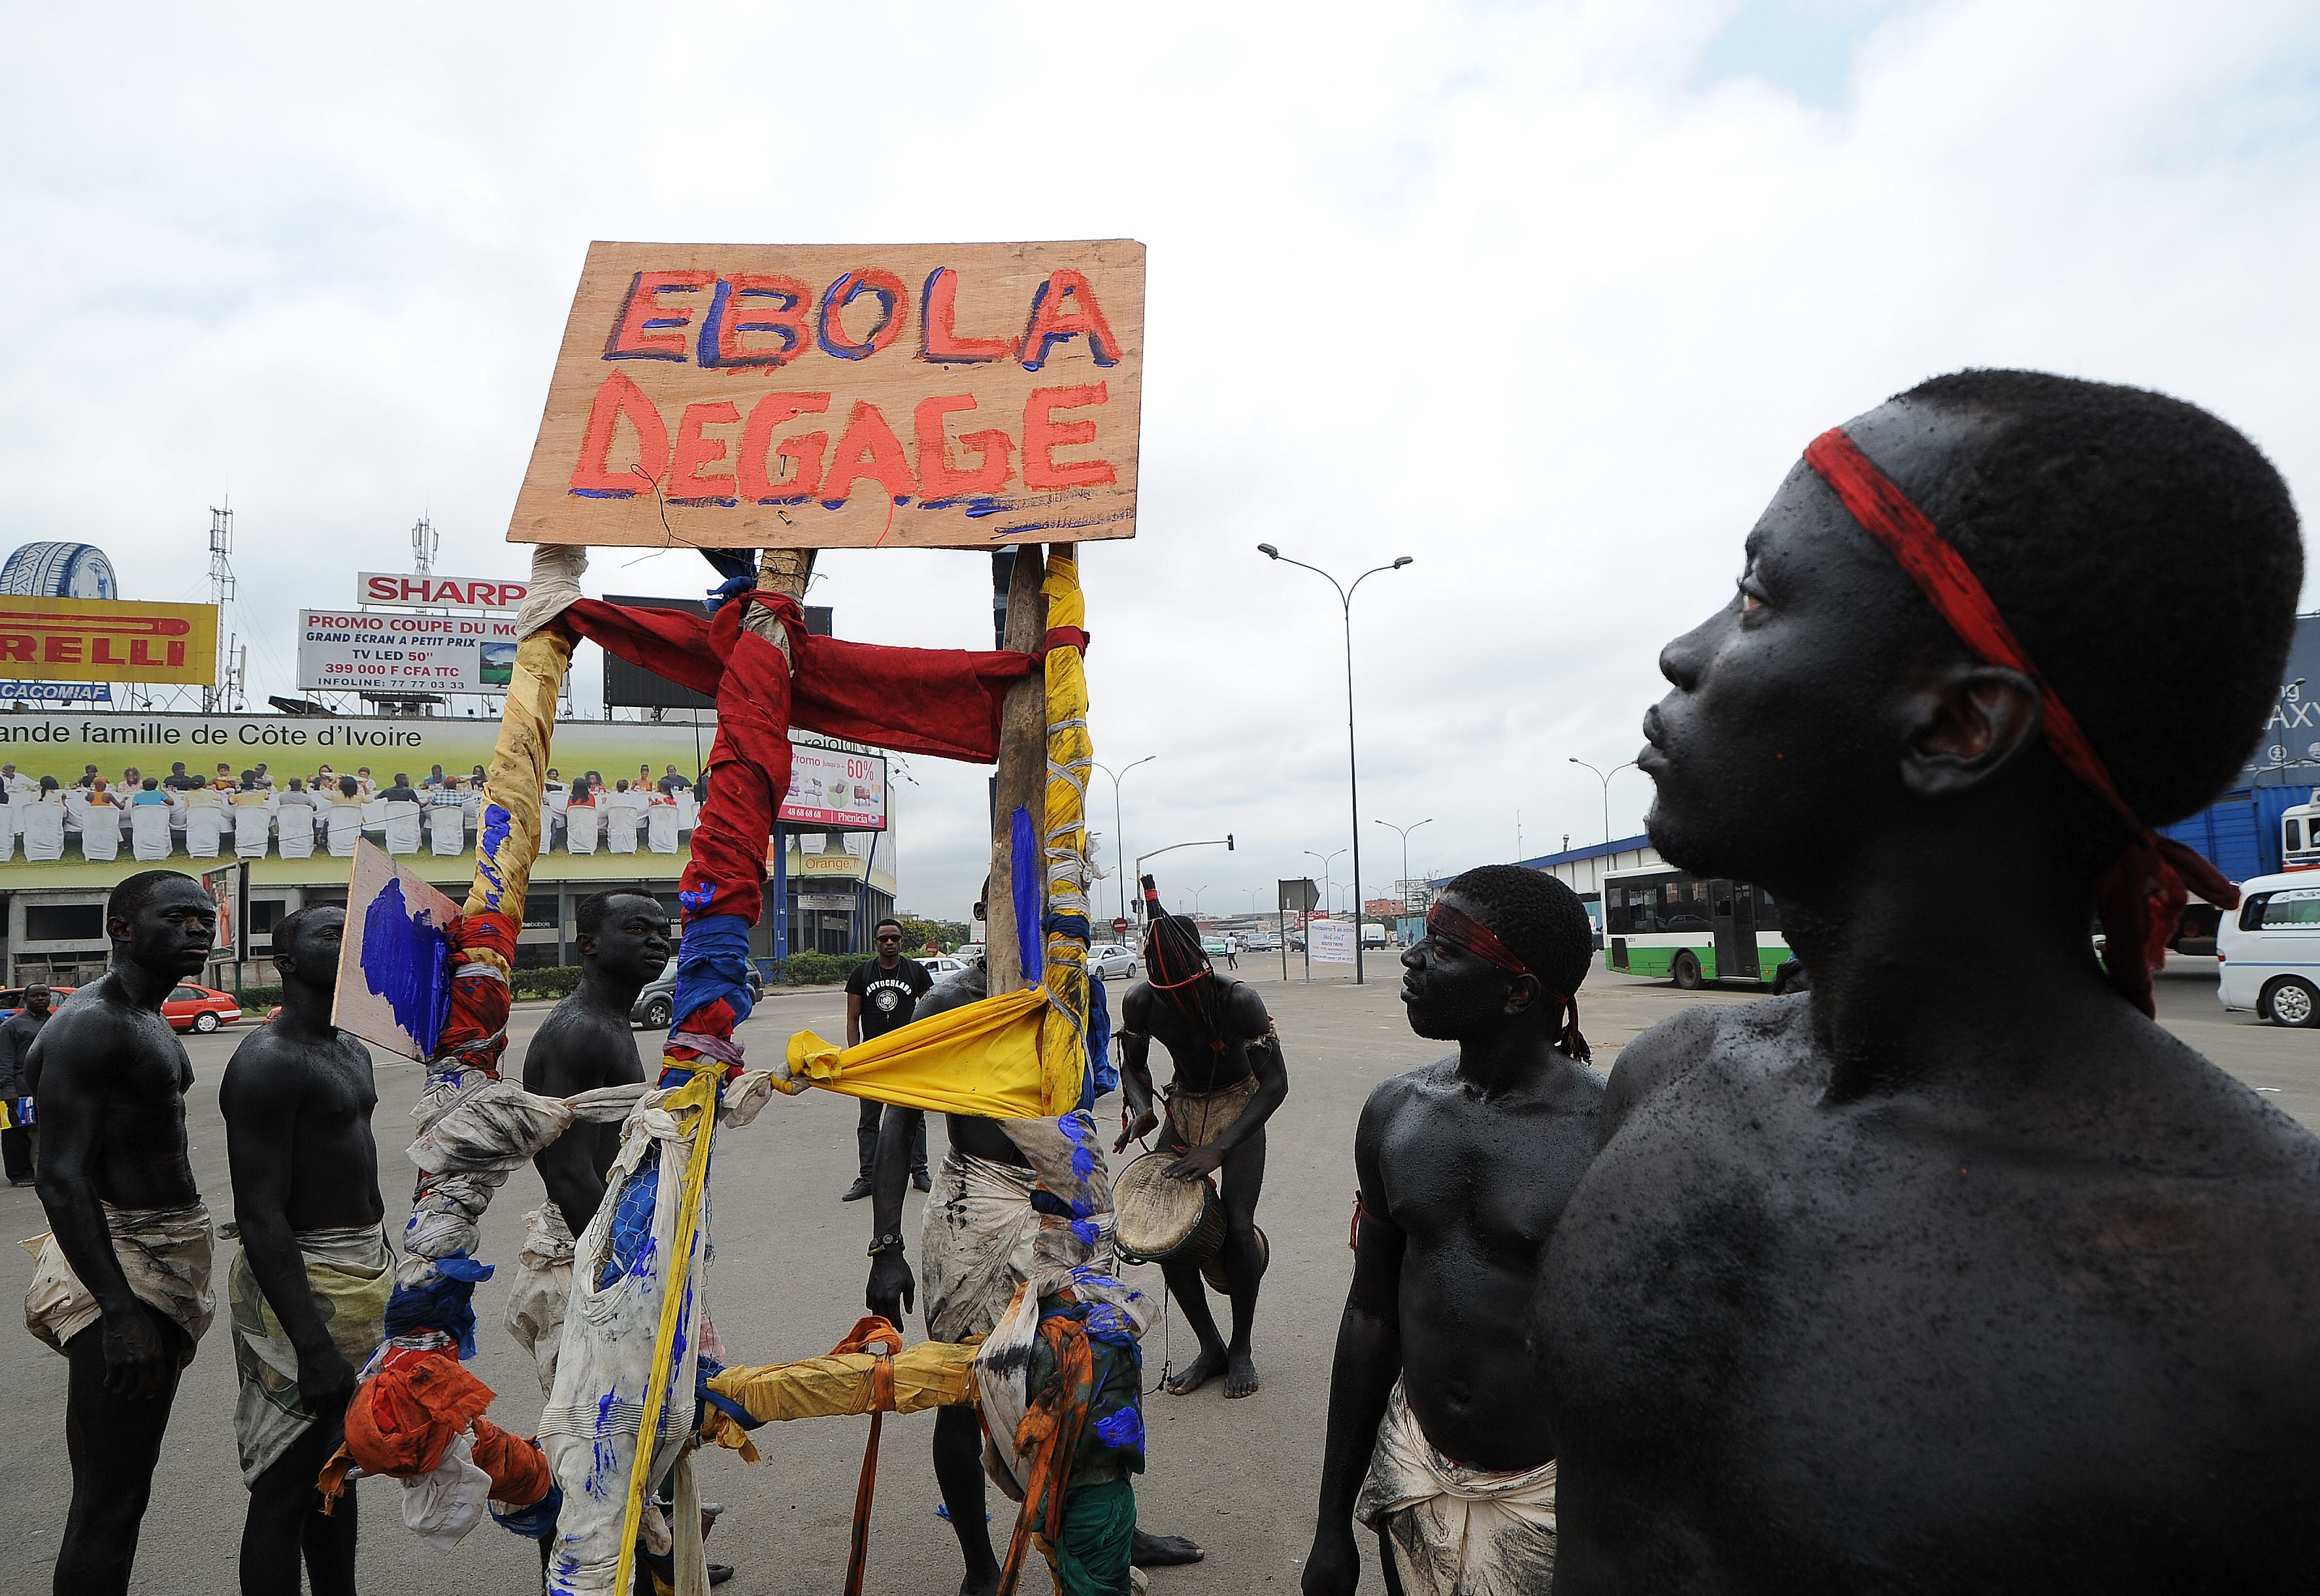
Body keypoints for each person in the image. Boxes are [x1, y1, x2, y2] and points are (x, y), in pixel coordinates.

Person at [1538, 372, 2320, 1591]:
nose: (1684, 652)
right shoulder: (1668, 1079)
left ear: (1960, 725)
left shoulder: (2266, 1299)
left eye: (1755, 598)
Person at [867, 956, 1205, 1594]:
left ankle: (1114, 1532)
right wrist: (886, 1244)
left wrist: (1133, 1108)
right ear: (991, 909)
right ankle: (979, 1565)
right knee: (964, 1389)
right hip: (979, 1211)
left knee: (1103, 1369)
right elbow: (898, 1120)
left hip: (1069, 1197)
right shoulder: (948, 1002)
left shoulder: (1076, 990)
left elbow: (1095, 1083)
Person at [1302, 867, 1598, 1596]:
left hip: (1558, 1504)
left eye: (1442, 947)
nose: (1410, 958)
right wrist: (1329, 1524)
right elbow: (1370, 1314)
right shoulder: (1396, 1112)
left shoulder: (1609, 1132)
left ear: (1518, 992)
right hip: (1414, 1475)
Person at [24, 870, 218, 1596]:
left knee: (123, 1493)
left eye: (205, 919)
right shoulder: (93, 1023)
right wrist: (118, 1310)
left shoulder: (145, 1015)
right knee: (110, 1500)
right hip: (122, 1268)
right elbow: (61, 1178)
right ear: (122, 929)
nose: (198, 929)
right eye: (178, 918)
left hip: (157, 1259)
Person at [219, 906, 390, 1596]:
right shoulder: (268, 1060)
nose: (347, 939)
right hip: (302, 1286)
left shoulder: (351, 1047)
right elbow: (259, 1216)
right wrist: (313, 1346)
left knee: (337, 1471)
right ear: (283, 962)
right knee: (286, 1487)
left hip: (361, 1272)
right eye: (328, 932)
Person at [1116, 877, 1288, 1398]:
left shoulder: (1238, 1000)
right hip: (1186, 1106)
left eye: (1188, 988)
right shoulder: (1142, 1002)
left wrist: (1220, 1148)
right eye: (1170, 993)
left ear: (1201, 967)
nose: (1182, 1000)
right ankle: (1210, 1347)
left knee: (1236, 1230)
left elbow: (1276, 1084)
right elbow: (1134, 1069)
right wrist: (1144, 1109)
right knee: (1164, 1231)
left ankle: (1241, 1349)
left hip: (1239, 1102)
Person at [840, 916, 933, 1201]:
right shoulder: (862, 974)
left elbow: (931, 1012)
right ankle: (867, 1177)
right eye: (884, 939)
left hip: (907, 1057)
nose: (890, 943)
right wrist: (855, 1056)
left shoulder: (916, 972)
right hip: (873, 1058)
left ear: (902, 941)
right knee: (869, 1120)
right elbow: (852, 1018)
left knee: (914, 1117)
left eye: (894, 938)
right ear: (876, 942)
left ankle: (920, 1173)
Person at [0, 985, 55, 1185]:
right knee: (16, 1133)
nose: (40, 999)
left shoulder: (54, 1023)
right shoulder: (11, 1027)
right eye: (35, 996)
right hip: (18, 1088)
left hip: (47, 1087)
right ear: (25, 999)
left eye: (44, 995)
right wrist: (8, 1089)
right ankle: (20, 1174)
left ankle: (42, 1171)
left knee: (46, 1133)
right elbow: (4, 1060)